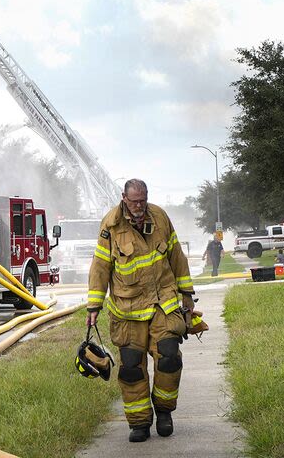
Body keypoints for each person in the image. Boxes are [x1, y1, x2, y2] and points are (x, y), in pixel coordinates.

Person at [87, 178, 197, 444]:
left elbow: (177, 257)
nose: (140, 206)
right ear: (123, 197)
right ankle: (139, 423)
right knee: (131, 369)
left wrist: (187, 295)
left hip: (164, 303)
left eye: (143, 200)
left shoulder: (159, 217)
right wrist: (94, 305)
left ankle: (164, 412)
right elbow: (101, 266)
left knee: (170, 358)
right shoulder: (111, 225)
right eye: (135, 201)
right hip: (128, 310)